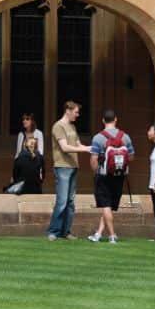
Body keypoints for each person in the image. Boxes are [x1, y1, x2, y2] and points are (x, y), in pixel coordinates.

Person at [87, 109, 135, 244]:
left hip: (103, 175)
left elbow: (93, 159)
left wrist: (95, 171)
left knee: (105, 205)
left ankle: (112, 235)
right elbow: (131, 157)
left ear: (103, 121)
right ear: (116, 119)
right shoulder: (125, 137)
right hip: (119, 175)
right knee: (108, 206)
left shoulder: (98, 137)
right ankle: (98, 234)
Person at [46, 101, 92, 241]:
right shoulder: (58, 126)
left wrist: (91, 147)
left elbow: (77, 144)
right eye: (76, 112)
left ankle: (65, 231)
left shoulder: (72, 126)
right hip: (62, 167)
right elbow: (65, 147)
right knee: (62, 201)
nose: (77, 115)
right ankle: (53, 231)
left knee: (70, 202)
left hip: (73, 166)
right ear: (68, 110)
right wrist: (85, 149)